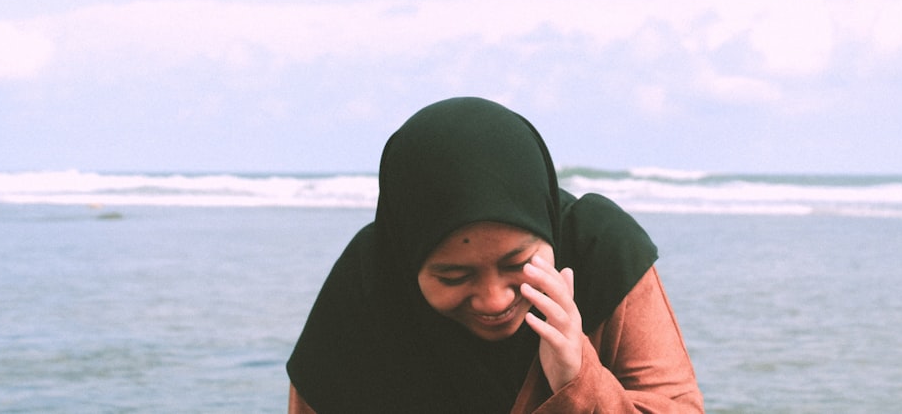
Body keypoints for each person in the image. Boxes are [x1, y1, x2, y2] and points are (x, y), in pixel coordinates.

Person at [287, 97, 703, 413]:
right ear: (405, 259)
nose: (495, 300)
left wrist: (577, 380)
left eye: (517, 264)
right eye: (453, 277)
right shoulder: (366, 287)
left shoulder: (600, 252)